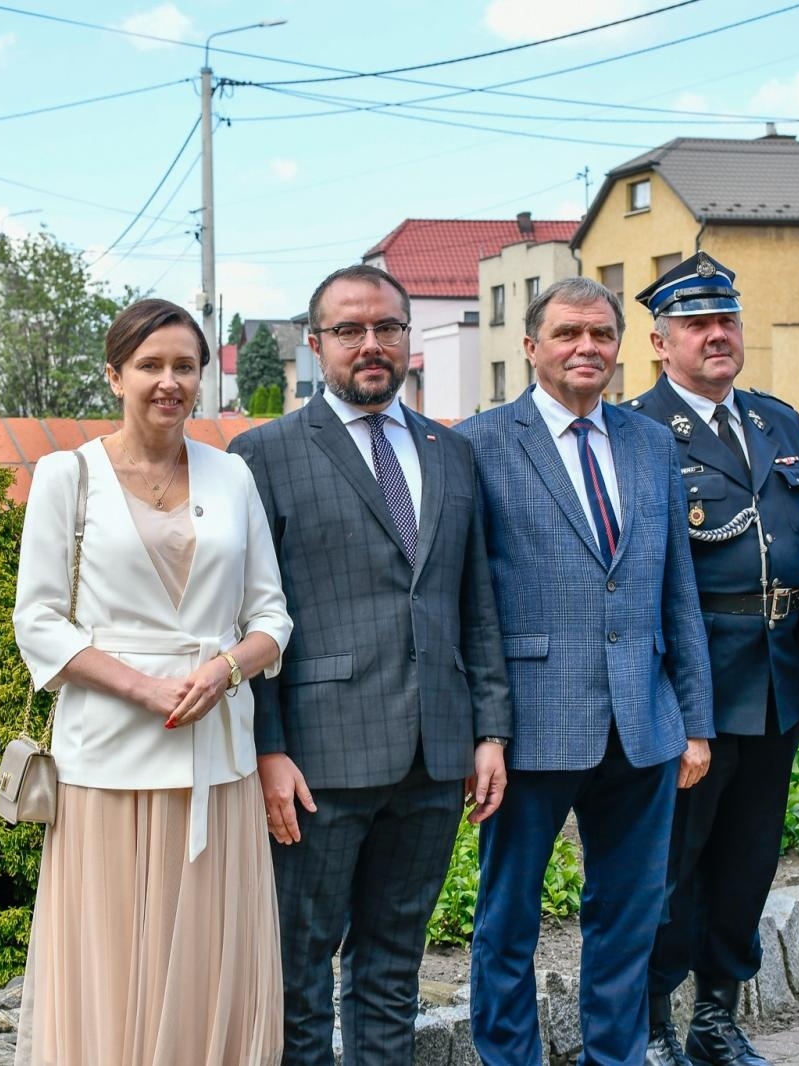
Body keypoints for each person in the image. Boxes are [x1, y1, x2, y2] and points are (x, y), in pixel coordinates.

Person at [229, 264, 513, 1066]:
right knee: (299, 966)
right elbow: (250, 615)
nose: (371, 344)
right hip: (317, 760)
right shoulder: (264, 455)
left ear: (408, 339)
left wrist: (489, 730)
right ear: (316, 345)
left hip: (435, 753)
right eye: (350, 330)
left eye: (387, 327)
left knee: (394, 965)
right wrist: (267, 749)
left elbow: (475, 601)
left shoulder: (451, 454)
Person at [12, 297, 293, 1066]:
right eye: (150, 365)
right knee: (112, 961)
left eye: (185, 366)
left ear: (203, 377)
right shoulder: (66, 475)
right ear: (114, 375)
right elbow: (37, 622)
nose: (169, 382)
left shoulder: (231, 474)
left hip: (218, 762)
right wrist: (144, 688)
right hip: (108, 759)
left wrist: (226, 666)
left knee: (209, 961)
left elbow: (273, 616)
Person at [457, 275, 714, 1066]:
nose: (586, 348)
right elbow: (468, 602)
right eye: (568, 334)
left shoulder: (650, 443)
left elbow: (679, 590)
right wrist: (484, 729)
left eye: (600, 335)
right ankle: (511, 1058)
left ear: (621, 349)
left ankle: (617, 1055)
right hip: (530, 725)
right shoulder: (478, 444)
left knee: (630, 915)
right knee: (508, 917)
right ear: (531, 346)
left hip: (642, 722)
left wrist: (695, 721)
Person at [626, 252, 799, 1066]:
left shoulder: (779, 422)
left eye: (727, 321)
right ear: (660, 341)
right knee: (672, 870)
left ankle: (715, 1018)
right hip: (697, 687)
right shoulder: (637, 432)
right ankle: (652, 1024)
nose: (716, 336)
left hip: (776, 683)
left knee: (747, 864)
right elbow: (640, 583)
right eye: (697, 324)